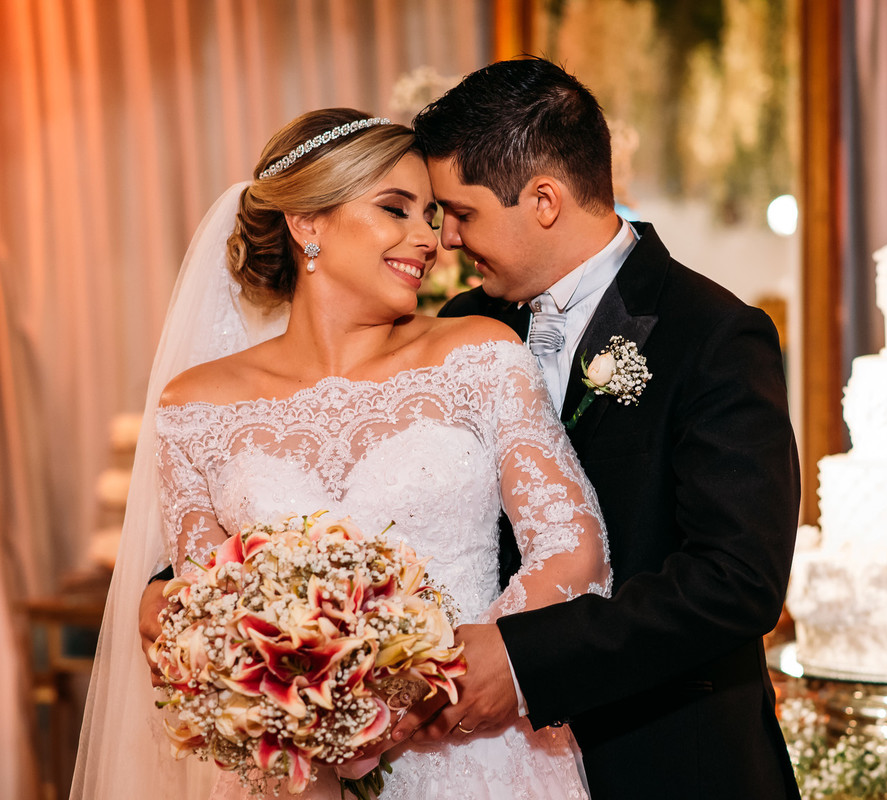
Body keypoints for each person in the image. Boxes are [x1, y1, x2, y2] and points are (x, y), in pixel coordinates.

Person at [72, 108, 610, 800]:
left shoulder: (476, 355)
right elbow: (208, 607)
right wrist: (304, 713)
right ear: (308, 224)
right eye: (396, 210)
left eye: (433, 214)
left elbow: (572, 547)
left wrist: (441, 680)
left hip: (481, 754)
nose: (429, 239)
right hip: (300, 777)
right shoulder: (195, 406)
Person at [394, 58, 803, 800]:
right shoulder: (458, 331)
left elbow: (735, 582)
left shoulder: (711, 334)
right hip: (488, 769)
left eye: (463, 211)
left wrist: (525, 660)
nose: (447, 239)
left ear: (543, 199)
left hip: (667, 762)